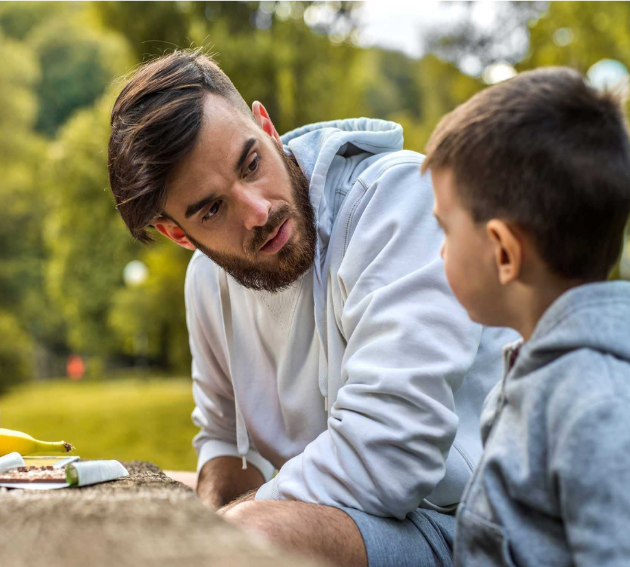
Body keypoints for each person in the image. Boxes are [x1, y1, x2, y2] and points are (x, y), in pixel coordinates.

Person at [107, 49, 516, 567]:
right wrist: (213, 512)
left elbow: (391, 454)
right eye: (213, 208)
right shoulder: (207, 285)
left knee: (247, 536)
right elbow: (222, 446)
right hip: (368, 521)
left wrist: (226, 527)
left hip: (481, 529)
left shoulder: (395, 201)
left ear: (267, 126)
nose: (257, 211)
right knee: (140, 496)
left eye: (251, 163)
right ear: (177, 234)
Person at [424, 66, 630, 566]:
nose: (439, 255)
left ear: (504, 252)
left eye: (445, 232)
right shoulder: (543, 377)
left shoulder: (605, 411)